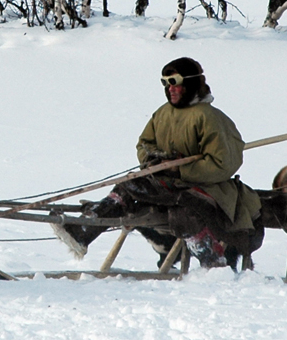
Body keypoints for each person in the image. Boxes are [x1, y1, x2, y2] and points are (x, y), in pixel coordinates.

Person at [57, 57, 262, 267]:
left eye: (174, 82)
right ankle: (83, 231)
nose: (169, 89)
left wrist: (181, 169)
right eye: (165, 83)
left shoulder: (211, 118)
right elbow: (144, 144)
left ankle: (213, 262)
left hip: (207, 188)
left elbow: (223, 163)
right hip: (167, 182)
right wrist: (153, 160)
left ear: (190, 83)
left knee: (185, 213)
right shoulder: (163, 113)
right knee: (129, 187)